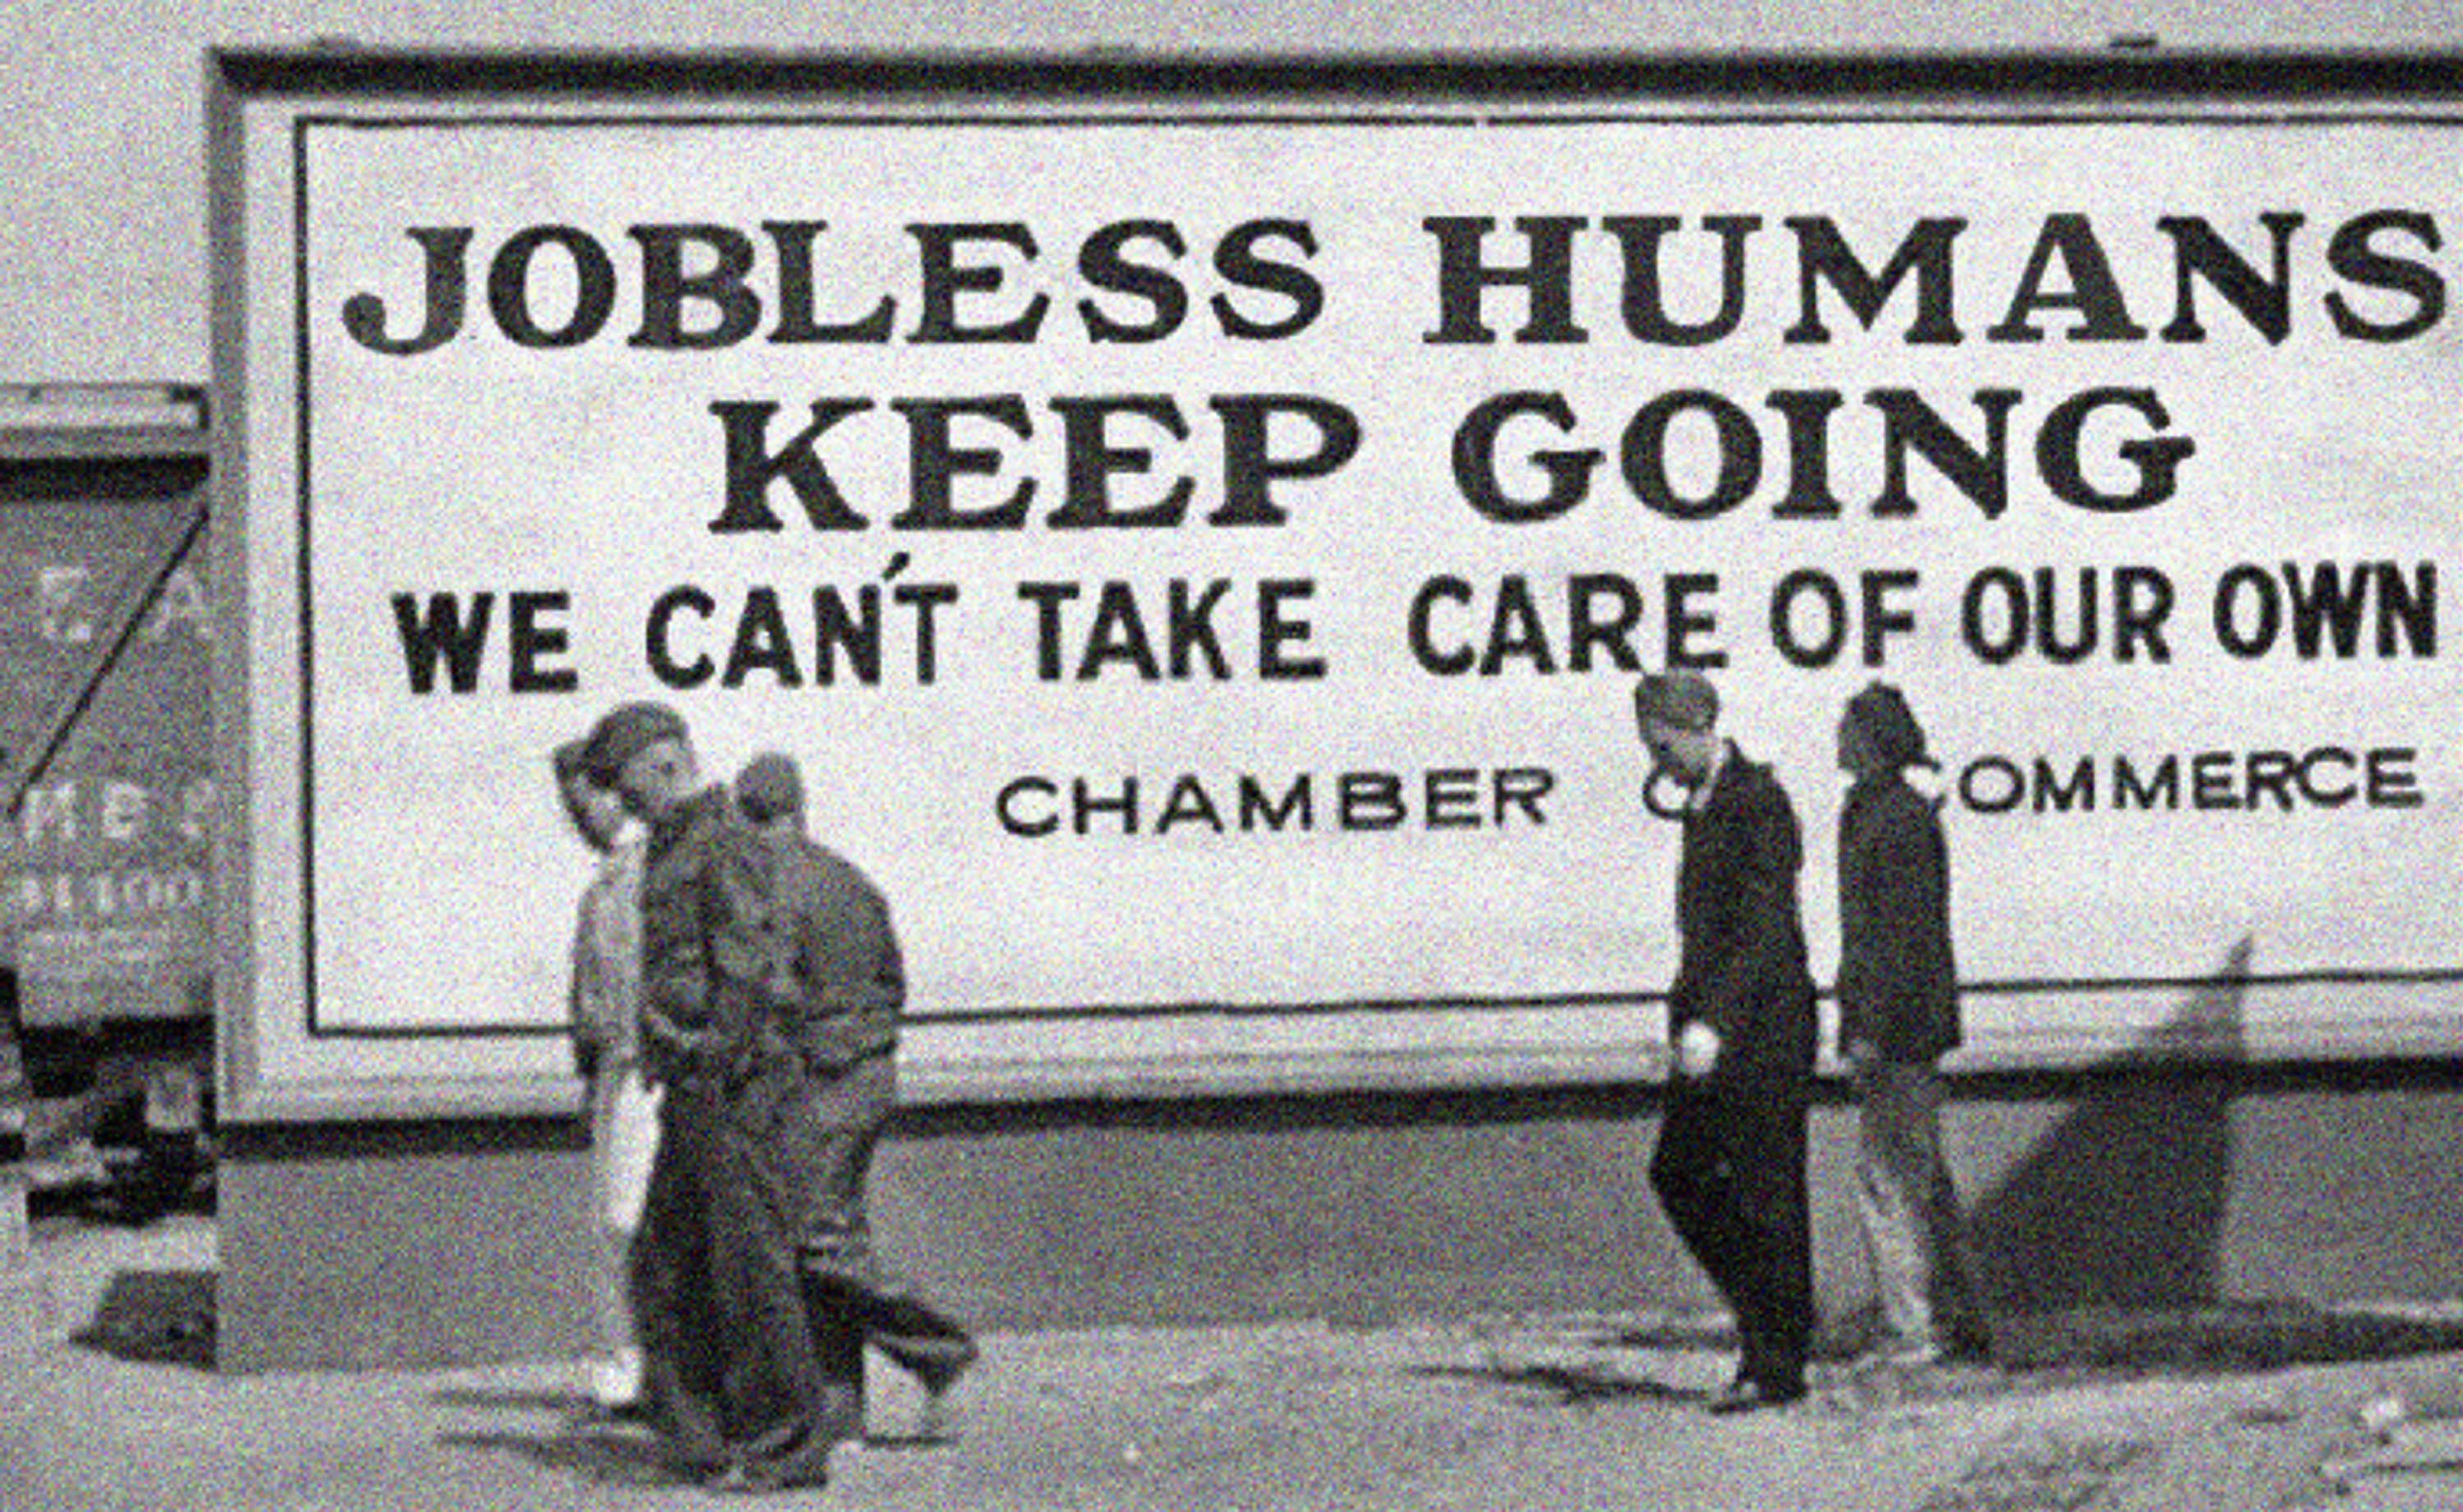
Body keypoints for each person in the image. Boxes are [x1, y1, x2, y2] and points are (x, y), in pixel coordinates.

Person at [579, 700, 843, 1494]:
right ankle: (700, 1439)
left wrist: (715, 1061)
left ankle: (788, 1447)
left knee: (751, 1269)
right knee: (664, 1267)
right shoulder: (673, 841)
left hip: (731, 1087)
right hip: (692, 1089)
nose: (622, 808)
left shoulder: (722, 842)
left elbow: (749, 968)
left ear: (666, 766)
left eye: (628, 791)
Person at [731, 753, 978, 1443]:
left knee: (814, 1238)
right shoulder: (851, 880)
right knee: (829, 1228)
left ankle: (940, 1350)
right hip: (870, 1072)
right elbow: (894, 981)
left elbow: (773, 992)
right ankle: (837, 1409)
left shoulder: (774, 886)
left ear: (747, 816)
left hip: (821, 1080)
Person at [1632, 669, 1819, 1413]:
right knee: (1678, 1172)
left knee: (1770, 1191)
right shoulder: (1705, 805)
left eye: (1662, 744)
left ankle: (1777, 1363)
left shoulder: (1757, 802)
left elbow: (1763, 929)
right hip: (1712, 1031)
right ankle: (1767, 1319)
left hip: (1763, 1032)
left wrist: (1716, 1023)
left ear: (1697, 727)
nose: (1655, 761)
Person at [1834, 682, 1988, 1368]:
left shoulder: (1889, 821)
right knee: (1921, 1175)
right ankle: (1956, 1318)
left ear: (1870, 741)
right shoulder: (1891, 813)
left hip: (1898, 1029)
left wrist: (1868, 1027)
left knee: (1887, 1179)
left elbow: (1895, 940)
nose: (1836, 739)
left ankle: (1913, 1327)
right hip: (1913, 1024)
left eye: (1846, 728)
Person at [552, 737, 656, 1418]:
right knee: (612, 1221)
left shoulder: (645, 869)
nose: (575, 817)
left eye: (580, 801)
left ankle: (636, 1369)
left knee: (626, 1218)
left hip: (647, 1066)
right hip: (616, 1069)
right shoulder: (611, 878)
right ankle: (631, 1366)